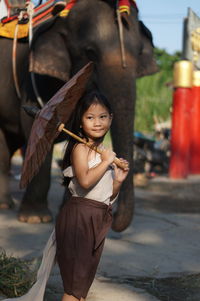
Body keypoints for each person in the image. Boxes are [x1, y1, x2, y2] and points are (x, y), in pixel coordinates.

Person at [55, 90, 129, 301]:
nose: (97, 122)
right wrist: (106, 162)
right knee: (73, 288)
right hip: (79, 219)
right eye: (90, 117)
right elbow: (86, 182)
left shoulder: (102, 150)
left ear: (111, 119)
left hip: (96, 218)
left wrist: (118, 180)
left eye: (102, 116)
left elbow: (104, 195)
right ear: (80, 122)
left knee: (82, 286)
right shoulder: (80, 149)